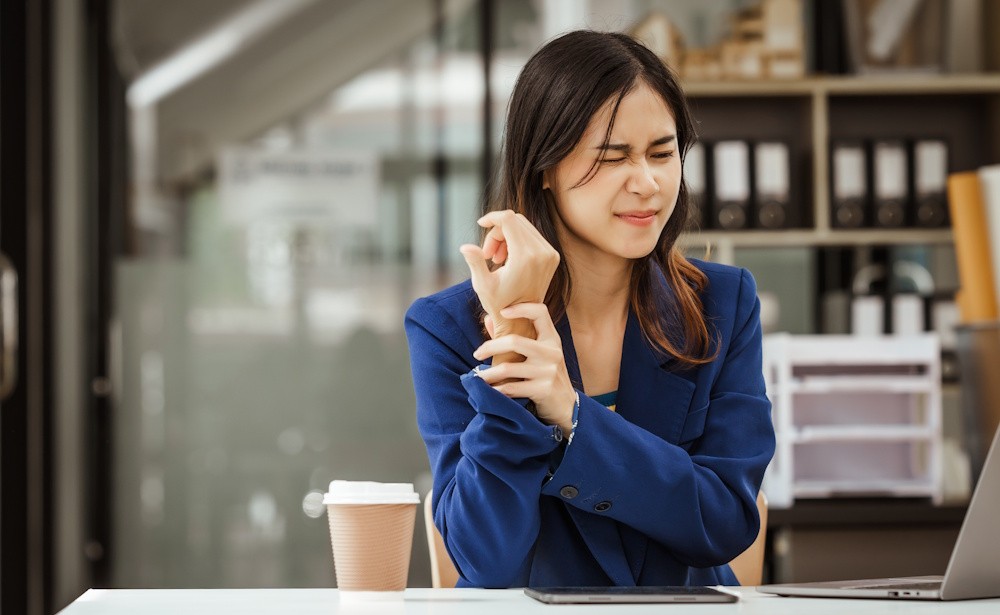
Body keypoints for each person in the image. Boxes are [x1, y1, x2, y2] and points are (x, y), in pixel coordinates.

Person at [404, 29, 775, 588]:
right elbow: (485, 558)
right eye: (613, 156)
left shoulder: (723, 304)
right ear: (546, 167)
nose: (647, 183)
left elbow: (724, 520)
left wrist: (573, 414)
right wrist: (512, 348)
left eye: (662, 153)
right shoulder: (449, 326)